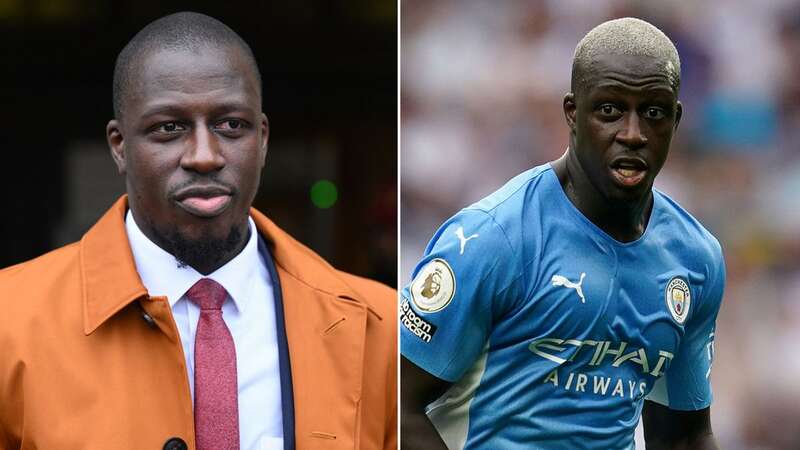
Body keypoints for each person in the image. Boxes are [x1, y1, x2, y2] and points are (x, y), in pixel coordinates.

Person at [0, 12, 396, 450]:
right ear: (120, 147)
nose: (204, 156)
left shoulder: (378, 327)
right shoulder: (10, 322)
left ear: (262, 140)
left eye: (231, 125)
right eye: (169, 128)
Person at [400, 17, 724, 450]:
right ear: (572, 113)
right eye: (609, 110)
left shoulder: (695, 258)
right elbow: (398, 406)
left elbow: (684, 436)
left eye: (653, 113)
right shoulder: (492, 238)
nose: (632, 134)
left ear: (676, 119)